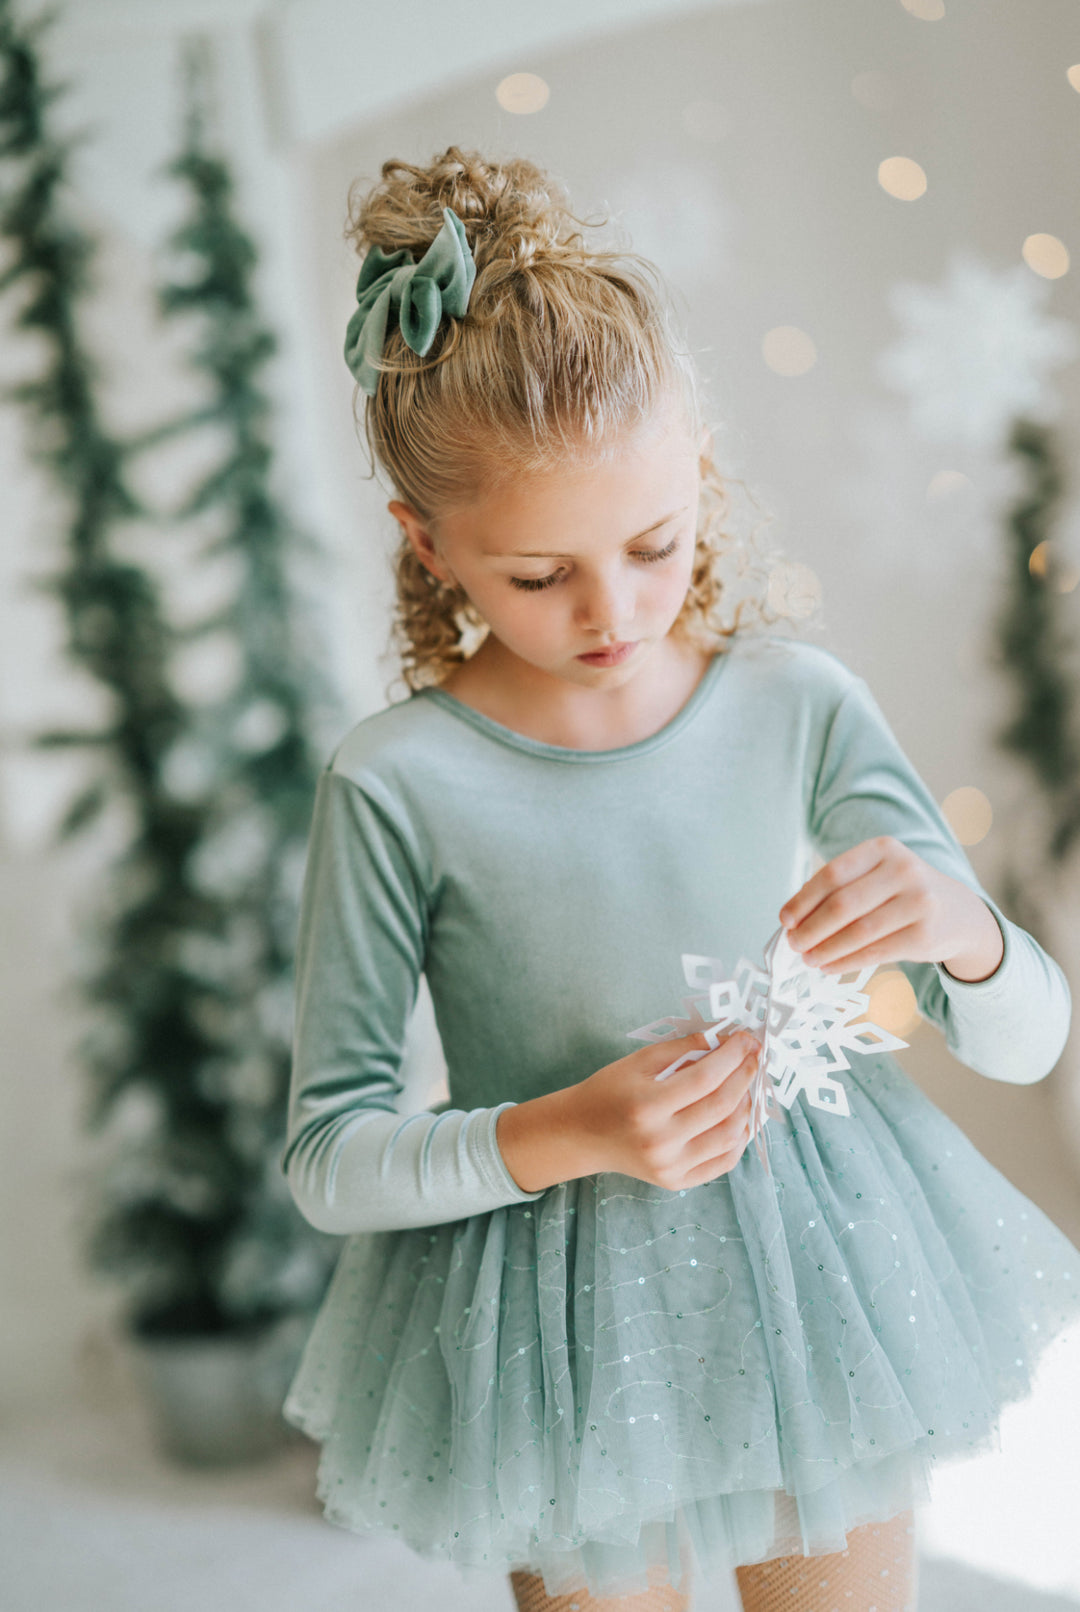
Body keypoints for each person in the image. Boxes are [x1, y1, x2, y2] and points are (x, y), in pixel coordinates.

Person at [280, 146, 1080, 1612]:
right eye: (540, 576)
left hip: (817, 1285)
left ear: (698, 466)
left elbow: (1032, 1044)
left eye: (652, 544)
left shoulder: (797, 703)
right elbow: (330, 1160)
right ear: (428, 543)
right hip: (558, 1336)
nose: (613, 610)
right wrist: (566, 1130)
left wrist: (967, 935)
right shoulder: (395, 783)